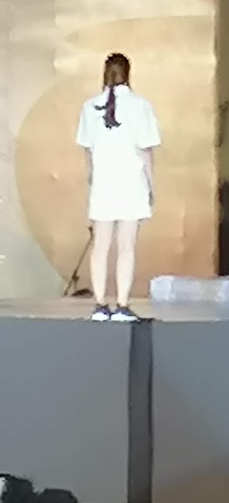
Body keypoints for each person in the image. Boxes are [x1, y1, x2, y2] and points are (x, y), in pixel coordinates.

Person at [76, 53, 161, 322]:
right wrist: (152, 186)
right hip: (131, 182)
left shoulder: (89, 106)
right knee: (127, 247)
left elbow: (88, 152)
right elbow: (146, 151)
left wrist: (92, 181)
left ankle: (100, 305)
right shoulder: (141, 106)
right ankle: (122, 305)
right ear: (128, 73)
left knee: (100, 247)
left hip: (103, 183)